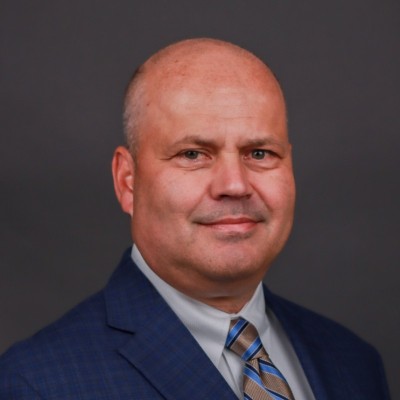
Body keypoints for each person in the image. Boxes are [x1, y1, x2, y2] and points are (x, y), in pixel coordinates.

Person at [0, 38, 390, 399]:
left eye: (259, 153)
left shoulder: (353, 363)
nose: (235, 185)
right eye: (193, 154)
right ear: (127, 181)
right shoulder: (35, 384)